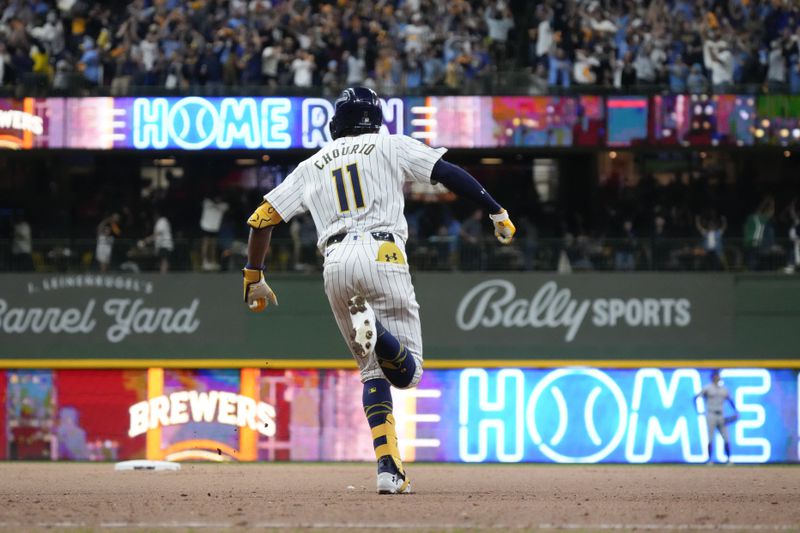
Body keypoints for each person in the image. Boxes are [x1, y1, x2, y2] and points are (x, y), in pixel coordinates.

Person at [241, 87, 515, 494]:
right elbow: (446, 172)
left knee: (372, 373)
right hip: (383, 250)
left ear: (337, 123)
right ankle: (378, 333)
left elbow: (261, 219)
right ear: (376, 118)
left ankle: (389, 469)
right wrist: (495, 208)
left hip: (334, 264)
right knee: (409, 373)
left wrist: (253, 276)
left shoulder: (312, 164)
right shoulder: (390, 144)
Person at [694, 370, 737, 464]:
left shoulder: (724, 389)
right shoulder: (707, 388)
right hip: (711, 414)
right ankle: (709, 460)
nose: (718, 378)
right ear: (712, 377)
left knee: (726, 437)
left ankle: (729, 459)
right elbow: (696, 397)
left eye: (718, 376)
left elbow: (730, 400)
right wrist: (698, 411)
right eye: (716, 376)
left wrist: (736, 411)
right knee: (710, 438)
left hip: (721, 415)